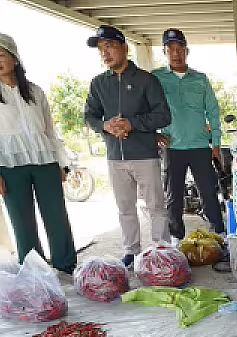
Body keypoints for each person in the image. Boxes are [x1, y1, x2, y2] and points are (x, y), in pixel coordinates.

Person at [0, 32, 76, 274]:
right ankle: (34, 269)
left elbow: (49, 129)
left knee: (56, 216)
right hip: (10, 164)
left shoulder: (35, 91)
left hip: (45, 161)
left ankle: (66, 265)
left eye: (0, 55)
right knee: (22, 221)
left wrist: (61, 163)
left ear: (15, 58)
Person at [84, 25, 172, 267]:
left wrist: (132, 124)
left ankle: (162, 251)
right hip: (115, 157)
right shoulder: (98, 84)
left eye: (110, 46)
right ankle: (132, 251)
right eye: (101, 49)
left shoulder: (147, 80)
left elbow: (163, 116)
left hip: (144, 155)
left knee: (155, 206)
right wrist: (106, 126)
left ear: (124, 47)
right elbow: (89, 116)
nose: (105, 53)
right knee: (125, 209)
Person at [152, 28, 224, 239]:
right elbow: (146, 107)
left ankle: (219, 234)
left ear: (186, 51)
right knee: (173, 196)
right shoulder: (156, 78)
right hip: (172, 147)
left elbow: (213, 111)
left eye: (180, 49)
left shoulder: (200, 79)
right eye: (171, 49)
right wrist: (153, 135)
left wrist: (216, 143)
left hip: (200, 146)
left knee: (209, 192)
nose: (176, 53)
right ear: (164, 52)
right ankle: (176, 238)